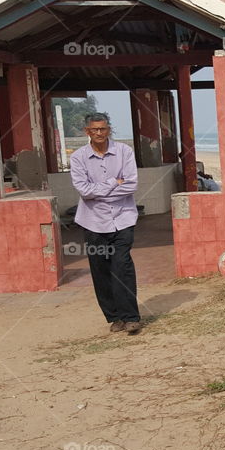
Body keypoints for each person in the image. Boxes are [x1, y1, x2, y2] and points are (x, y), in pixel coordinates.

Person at [69, 113, 141, 334]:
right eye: (95, 129)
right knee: (100, 270)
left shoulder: (124, 152)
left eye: (103, 129)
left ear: (109, 129)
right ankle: (114, 317)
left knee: (122, 266)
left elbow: (131, 185)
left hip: (123, 219)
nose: (99, 133)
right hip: (93, 223)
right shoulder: (78, 157)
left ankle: (131, 317)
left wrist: (98, 191)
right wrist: (112, 183)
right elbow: (84, 191)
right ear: (87, 131)